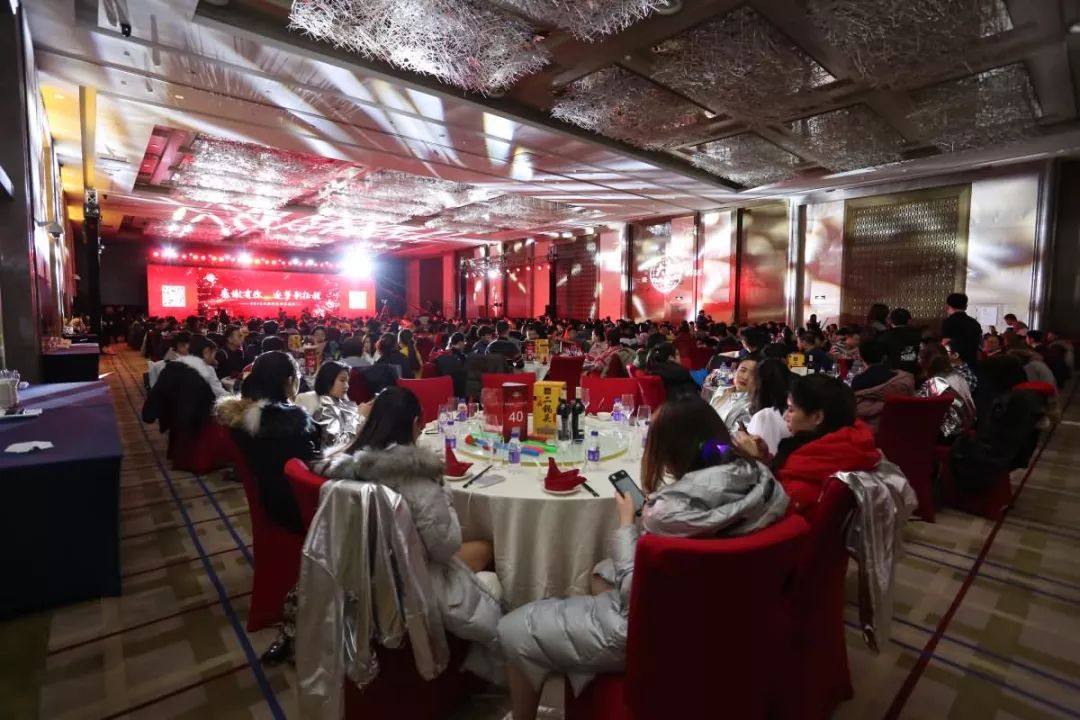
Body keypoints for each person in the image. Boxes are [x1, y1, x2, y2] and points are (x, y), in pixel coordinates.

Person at [497, 395, 789, 720]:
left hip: (663, 630)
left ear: (670, 450)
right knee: (601, 573)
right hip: (727, 613)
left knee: (513, 629)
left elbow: (633, 592)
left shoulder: (667, 513)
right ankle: (581, 667)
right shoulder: (761, 479)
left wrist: (626, 524)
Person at [313, 387, 502, 670]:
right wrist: (443, 492)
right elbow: (446, 546)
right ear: (415, 424)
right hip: (413, 584)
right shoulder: (415, 480)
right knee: (489, 545)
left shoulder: (341, 468)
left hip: (354, 580)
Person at [214, 351, 320, 534]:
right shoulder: (287, 424)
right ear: (289, 381)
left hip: (270, 498)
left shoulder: (245, 414)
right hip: (297, 507)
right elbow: (312, 465)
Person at [768, 375, 880, 516]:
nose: (785, 416)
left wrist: (757, 464)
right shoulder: (854, 447)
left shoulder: (803, 474)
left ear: (817, 417)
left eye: (791, 410)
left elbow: (764, 514)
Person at [295, 361, 368, 449]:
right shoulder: (323, 408)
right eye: (342, 380)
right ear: (328, 380)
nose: (347, 386)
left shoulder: (345, 404)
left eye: (347, 381)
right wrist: (359, 418)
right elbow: (335, 445)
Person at [732, 357, 792, 458]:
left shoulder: (765, 416)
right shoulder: (791, 411)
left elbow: (761, 459)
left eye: (753, 376)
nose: (746, 377)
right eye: (743, 371)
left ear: (760, 384)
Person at [851, 339, 915, 432]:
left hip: (868, 432)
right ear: (885, 357)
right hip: (900, 429)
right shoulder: (904, 380)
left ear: (861, 357)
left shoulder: (857, 382)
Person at [915, 344, 975, 441]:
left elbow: (916, 411)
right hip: (966, 431)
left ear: (924, 363)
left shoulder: (934, 383)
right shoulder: (958, 376)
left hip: (948, 436)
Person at [708, 356, 756, 435]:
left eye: (753, 374)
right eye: (743, 370)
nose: (746, 377)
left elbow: (738, 437)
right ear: (734, 371)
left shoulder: (752, 405)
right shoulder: (721, 390)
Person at [941, 292, 982, 369]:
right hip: (973, 362)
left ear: (947, 306)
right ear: (966, 306)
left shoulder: (948, 322)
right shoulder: (975, 323)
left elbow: (945, 343)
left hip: (955, 363)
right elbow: (979, 345)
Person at [878, 308, 922, 374]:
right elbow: (908, 359)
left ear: (891, 321)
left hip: (889, 373)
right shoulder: (915, 334)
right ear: (909, 320)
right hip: (910, 373)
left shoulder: (885, 335)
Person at [434, 332, 468, 398]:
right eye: (464, 342)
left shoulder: (443, 354)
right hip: (459, 388)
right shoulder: (462, 357)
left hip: (444, 386)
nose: (465, 344)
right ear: (460, 342)